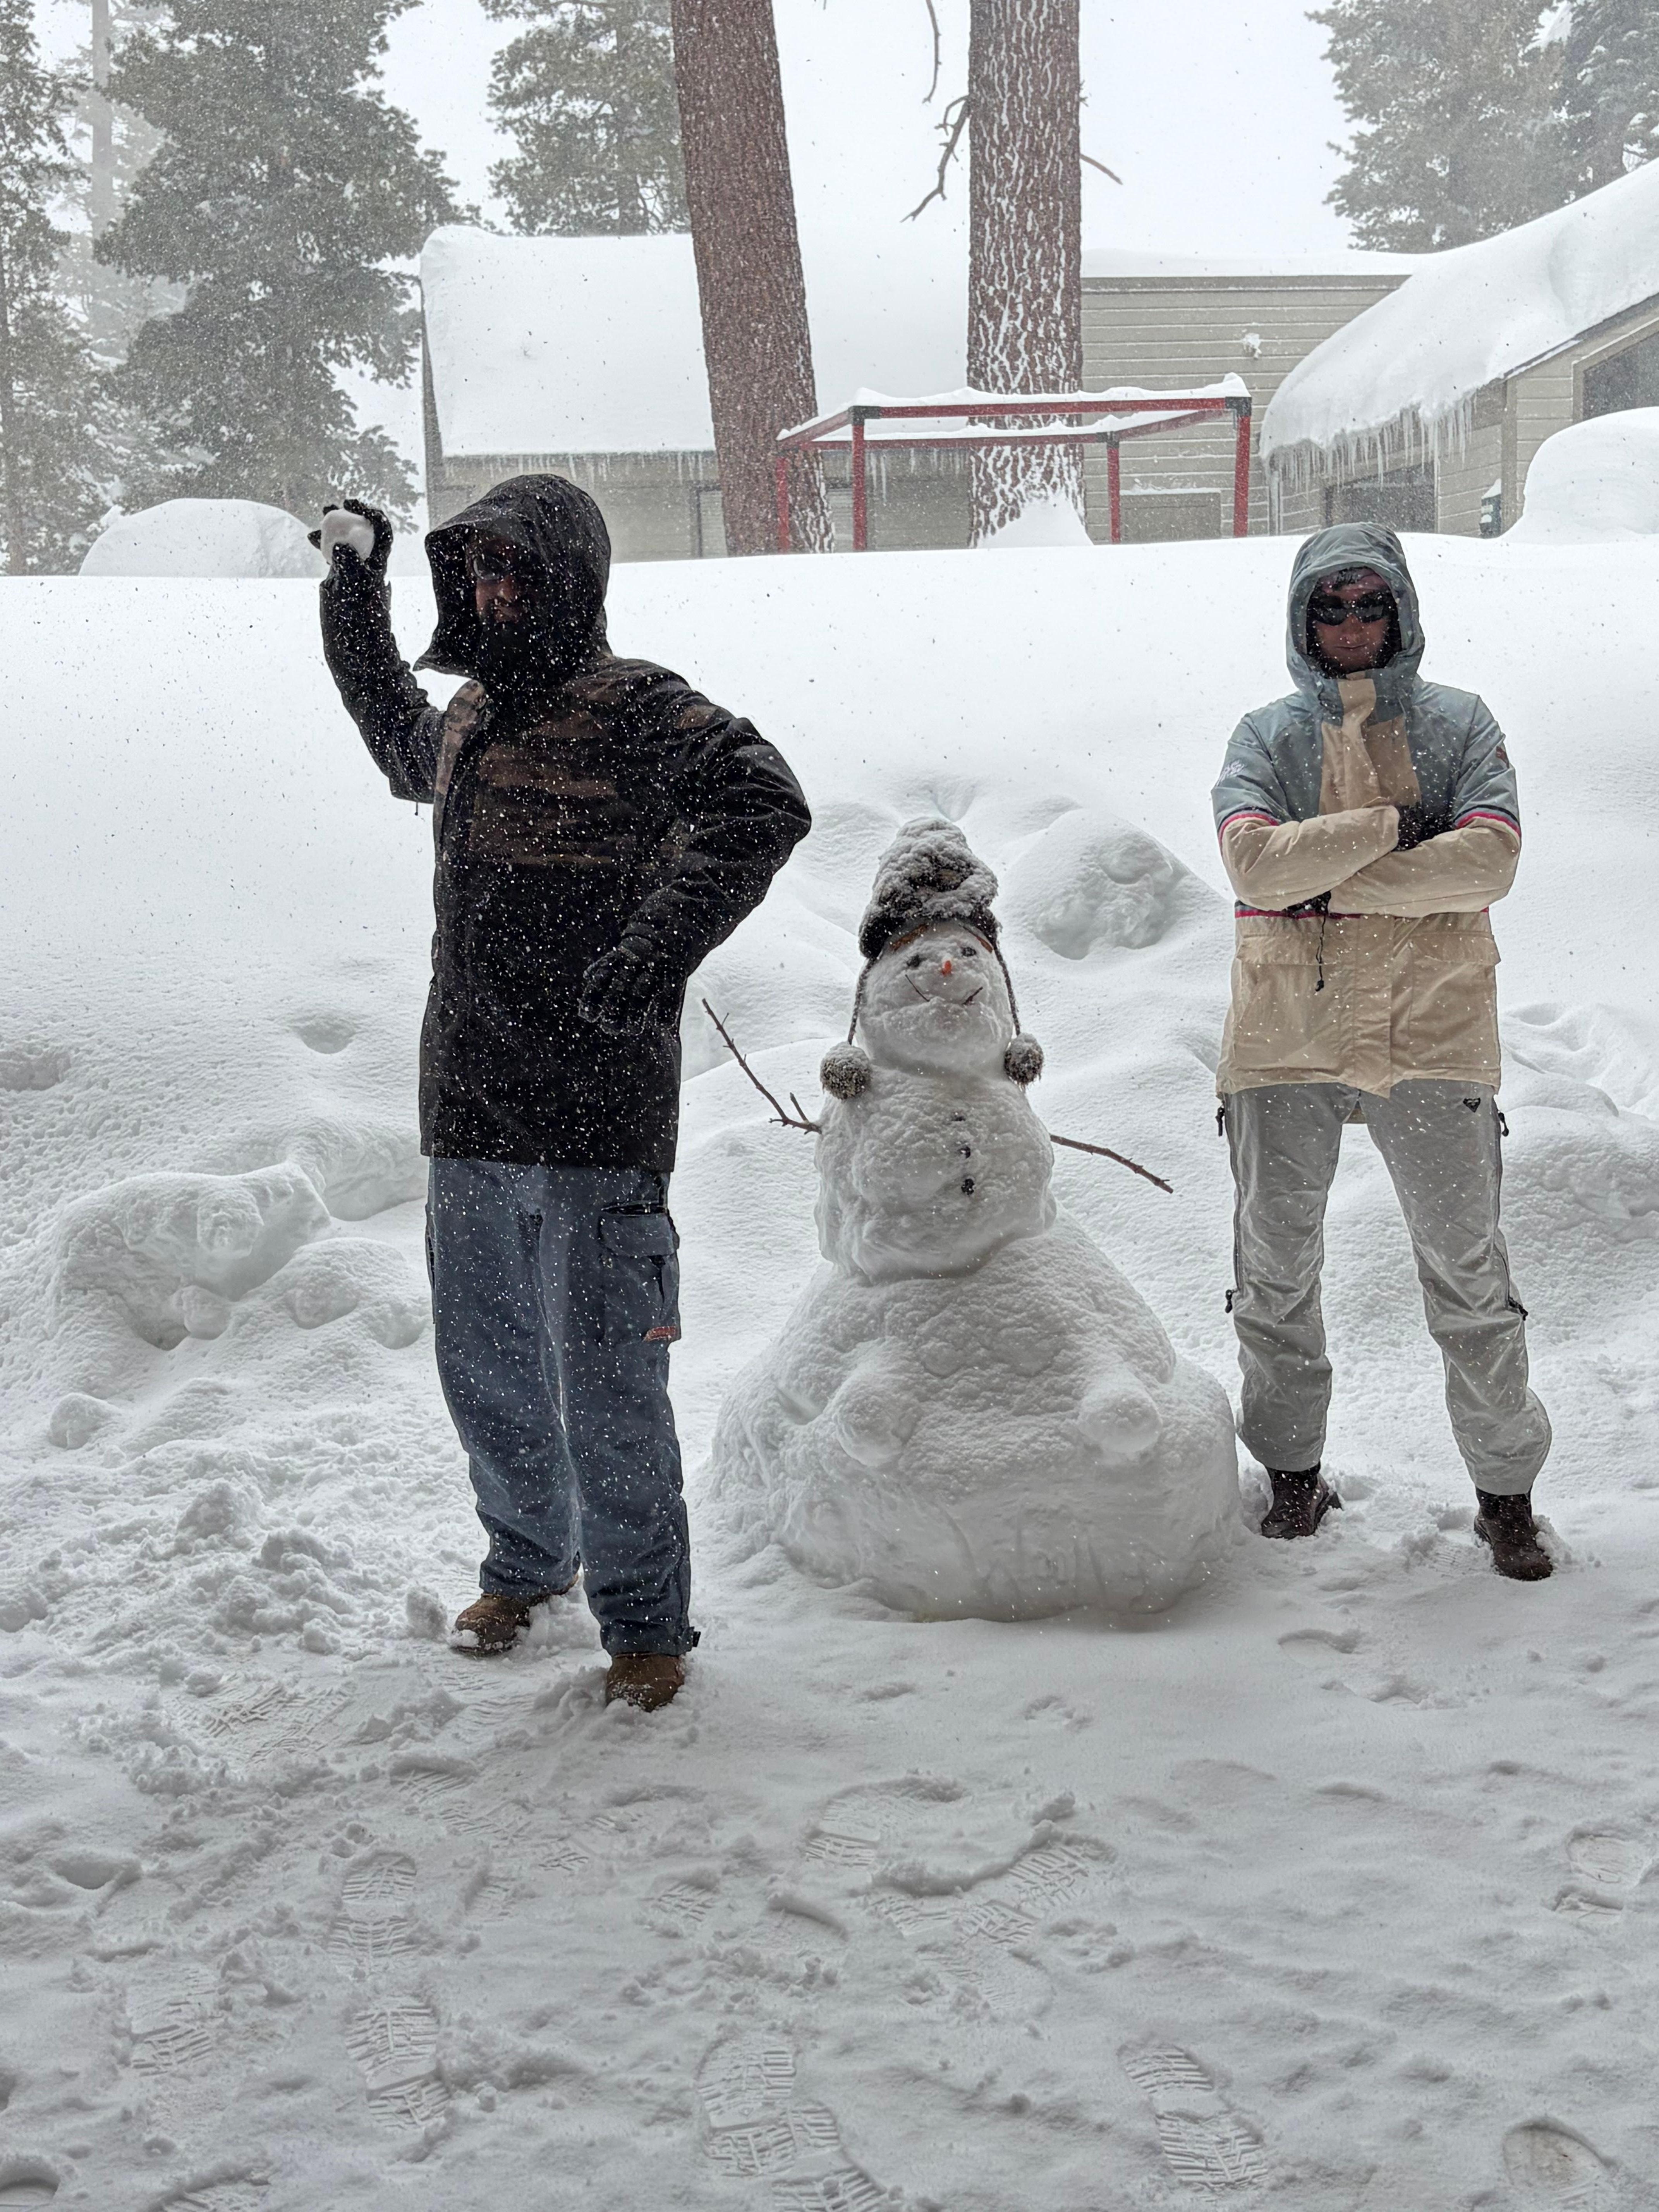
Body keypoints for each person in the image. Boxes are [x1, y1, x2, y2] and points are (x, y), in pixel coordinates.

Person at [315, 477, 811, 1704]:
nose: (493, 591)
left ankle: (644, 1626)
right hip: (471, 1101)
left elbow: (763, 803)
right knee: (487, 1366)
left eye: (515, 570)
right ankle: (527, 1564)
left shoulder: (639, 705)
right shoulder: (476, 716)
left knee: (606, 1383)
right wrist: (351, 596)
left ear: (570, 578)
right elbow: (393, 731)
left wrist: (653, 947)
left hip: (596, 1106)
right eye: (475, 571)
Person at [1211, 522, 1552, 1580]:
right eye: (1330, 606)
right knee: (1272, 1275)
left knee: (1466, 1271)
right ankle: (1290, 1478)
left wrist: (1321, 875)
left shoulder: (1460, 722)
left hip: (1433, 1026)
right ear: (1300, 618)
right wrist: (1392, 828)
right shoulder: (1262, 735)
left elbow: (1488, 858)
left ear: (1399, 612)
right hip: (1286, 1035)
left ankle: (1505, 1492)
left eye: (1369, 605)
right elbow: (1251, 860)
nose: (1352, 624)